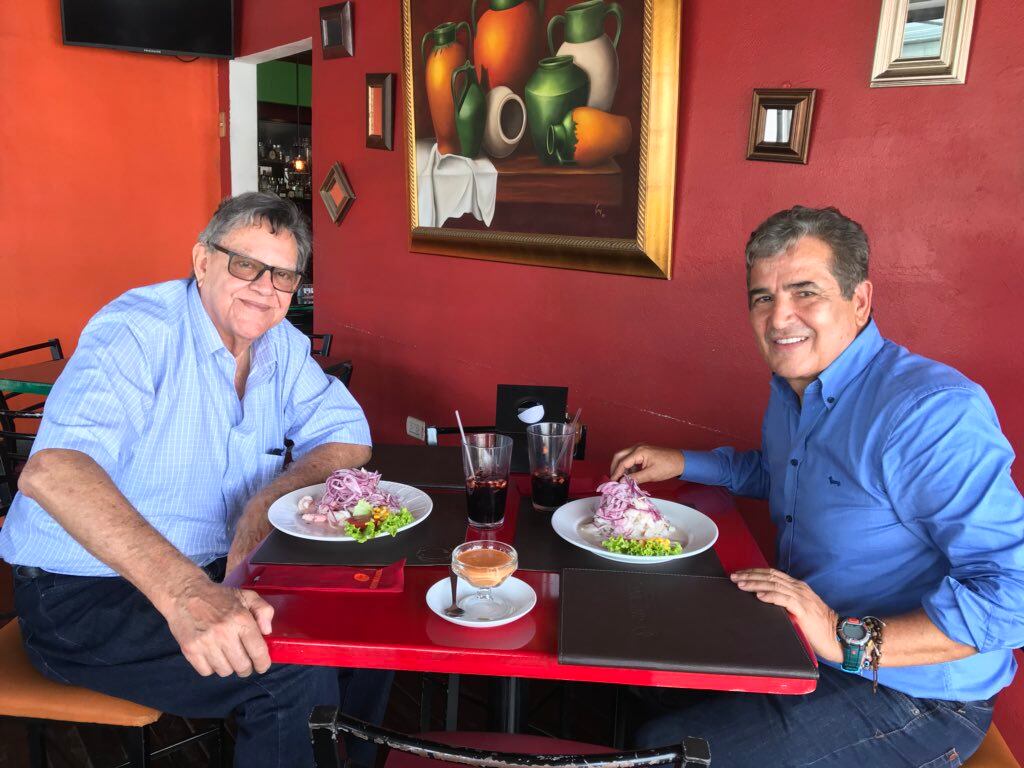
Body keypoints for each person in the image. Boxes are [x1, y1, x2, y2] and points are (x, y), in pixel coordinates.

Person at [610, 206, 1024, 767]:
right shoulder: (794, 389)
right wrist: (683, 462)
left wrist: (841, 634)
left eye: (805, 292)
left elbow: (1013, 595)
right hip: (805, 645)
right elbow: (783, 474)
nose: (779, 317)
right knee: (637, 675)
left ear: (860, 301)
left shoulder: (930, 413)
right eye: (762, 297)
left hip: (918, 696)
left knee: (668, 753)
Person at [0, 192, 384, 768]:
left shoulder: (279, 343)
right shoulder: (137, 330)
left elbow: (347, 435)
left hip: (216, 567)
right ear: (203, 261)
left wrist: (267, 500)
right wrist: (185, 594)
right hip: (82, 592)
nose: (265, 288)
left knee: (368, 629)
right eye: (246, 264)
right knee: (288, 671)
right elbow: (54, 470)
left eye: (283, 275)